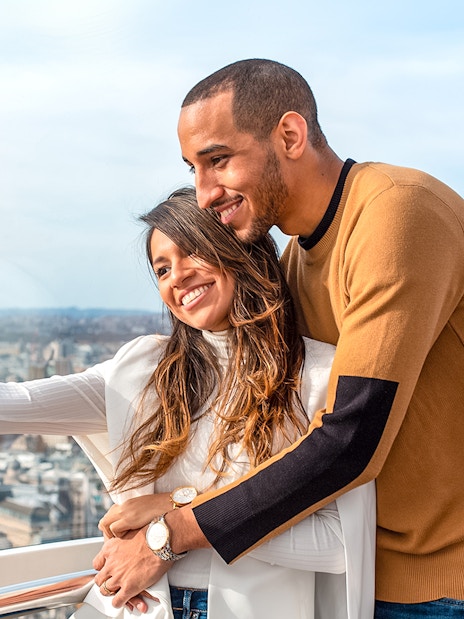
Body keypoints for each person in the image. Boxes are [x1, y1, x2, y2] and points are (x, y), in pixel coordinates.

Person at [95, 59, 464, 618]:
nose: (204, 192)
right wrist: (175, 498)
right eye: (193, 168)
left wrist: (167, 535)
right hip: (357, 578)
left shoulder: (396, 212)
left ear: (290, 135)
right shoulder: (296, 260)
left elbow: (348, 439)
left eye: (217, 161)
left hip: (439, 581)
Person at [0, 187, 375, 619]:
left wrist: (176, 513)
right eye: (161, 269)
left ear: (237, 250)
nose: (176, 276)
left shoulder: (319, 376)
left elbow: (340, 546)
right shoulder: (141, 372)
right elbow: (18, 403)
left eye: (191, 251)